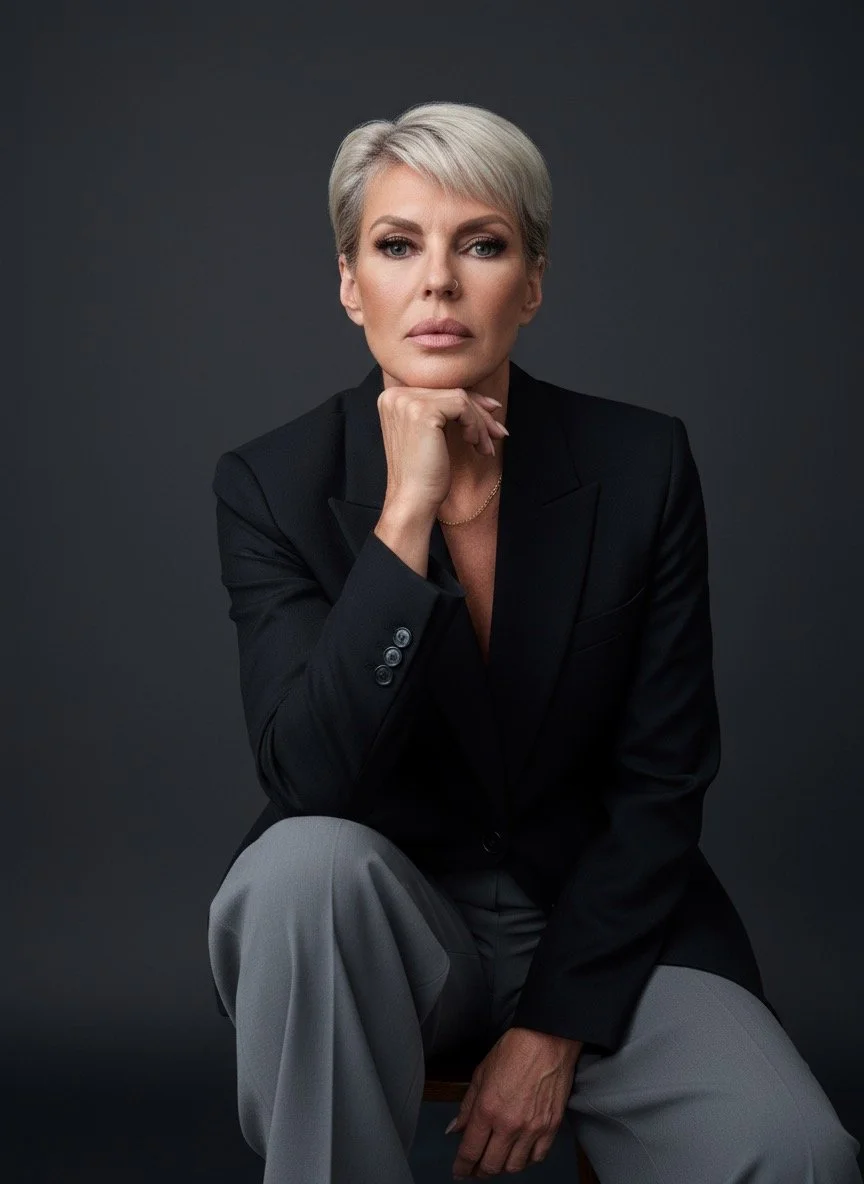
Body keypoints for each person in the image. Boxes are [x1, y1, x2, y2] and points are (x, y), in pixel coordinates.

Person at [207, 101, 861, 1183]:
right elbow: (311, 775)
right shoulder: (271, 484)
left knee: (798, 1153)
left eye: (482, 245)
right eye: (397, 246)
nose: (438, 283)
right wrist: (405, 516)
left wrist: (554, 1025)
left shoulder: (641, 463)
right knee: (298, 865)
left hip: (608, 932)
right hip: (383, 931)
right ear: (349, 282)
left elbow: (663, 779)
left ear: (534, 281)